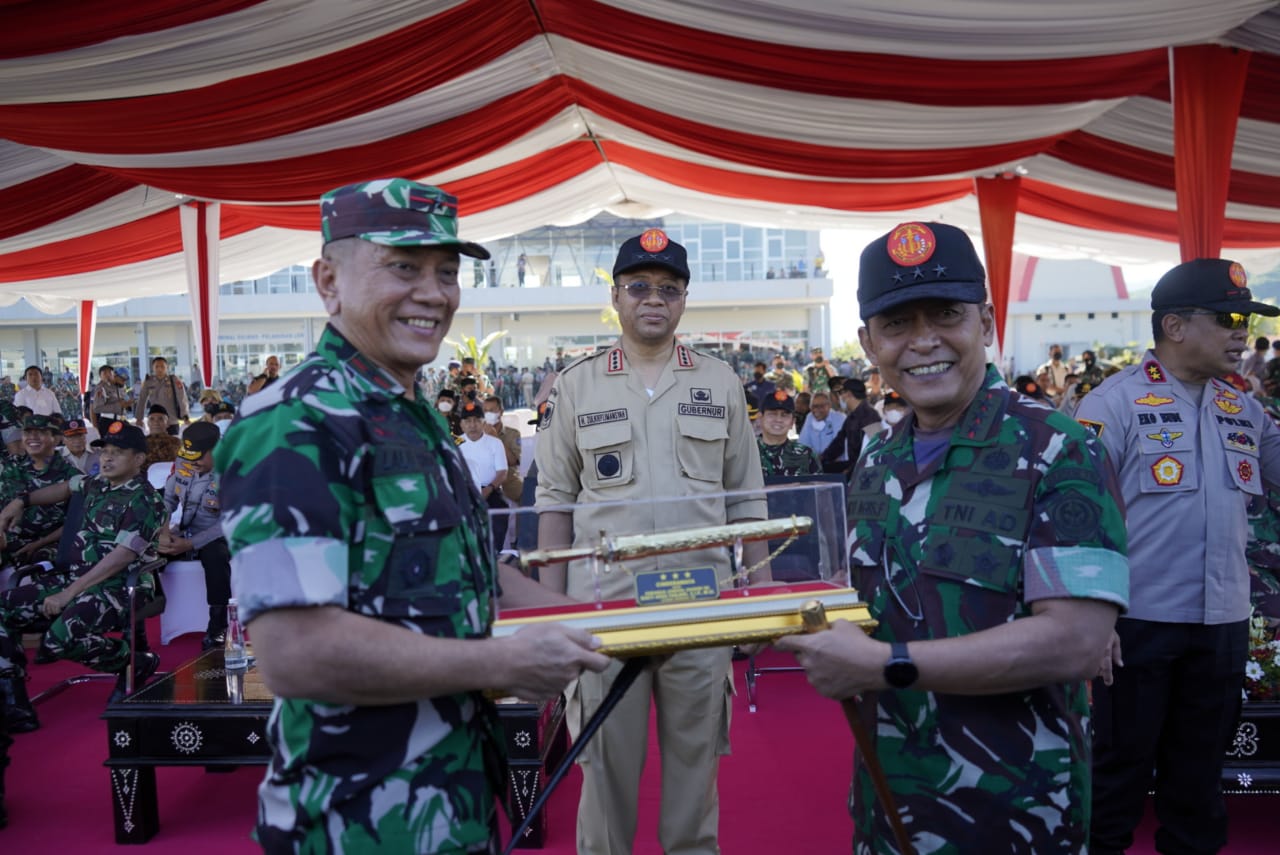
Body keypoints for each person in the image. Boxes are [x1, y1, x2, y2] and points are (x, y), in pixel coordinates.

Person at [214, 178, 607, 854]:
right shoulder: (294, 421)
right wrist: (497, 660)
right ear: (328, 280)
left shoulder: (413, 412)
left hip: (452, 799)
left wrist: (600, 623)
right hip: (357, 821)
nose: (434, 292)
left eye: (447, 272)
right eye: (404, 266)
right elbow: (296, 655)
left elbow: (471, 564)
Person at [777, 221, 1128, 854]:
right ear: (867, 342)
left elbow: (1077, 642)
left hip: (1016, 817)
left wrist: (888, 666)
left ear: (987, 324)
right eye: (896, 324)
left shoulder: (1058, 449)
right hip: (889, 809)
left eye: (945, 314)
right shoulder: (877, 461)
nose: (923, 342)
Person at [535, 227, 767, 855]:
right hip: (606, 612)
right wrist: (553, 612)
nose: (653, 299)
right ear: (616, 296)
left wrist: (757, 598)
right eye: (639, 286)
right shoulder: (576, 385)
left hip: (700, 604)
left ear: (684, 300)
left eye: (668, 288)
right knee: (605, 770)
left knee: (696, 772)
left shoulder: (720, 382)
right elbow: (554, 504)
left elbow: (748, 498)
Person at [1075, 258, 1280, 855]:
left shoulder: (1243, 407)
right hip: (1136, 624)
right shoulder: (1110, 405)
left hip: (1222, 626)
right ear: (1175, 326)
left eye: (1246, 318)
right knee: (1118, 778)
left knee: (1199, 786)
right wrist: (1092, 613)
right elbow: (1073, 516)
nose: (1242, 331)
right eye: (1228, 318)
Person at [0, 420, 165, 730]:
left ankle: (133, 661)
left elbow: (121, 557)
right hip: (76, 578)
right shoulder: (97, 482)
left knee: (61, 638)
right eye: (104, 451)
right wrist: (20, 501)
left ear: (139, 460)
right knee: (3, 607)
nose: (107, 458)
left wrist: (68, 592)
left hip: (119, 584)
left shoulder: (145, 500)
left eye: (118, 452)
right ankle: (13, 701)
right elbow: (65, 487)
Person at [159, 421, 231, 650]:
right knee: (145, 552)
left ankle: (218, 625)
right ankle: (139, 624)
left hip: (221, 536)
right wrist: (162, 532)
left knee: (216, 556)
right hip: (184, 530)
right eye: (188, 456)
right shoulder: (183, 463)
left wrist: (190, 544)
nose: (193, 462)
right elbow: (167, 500)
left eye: (199, 456)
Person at [822, 378, 879, 476]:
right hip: (854, 465)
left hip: (867, 470)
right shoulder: (851, 417)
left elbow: (876, 449)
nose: (840, 398)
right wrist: (822, 459)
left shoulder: (871, 416)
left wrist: (851, 471)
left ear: (848, 394)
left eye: (841, 394)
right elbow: (839, 443)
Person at [756, 389, 819, 477]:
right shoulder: (746, 452)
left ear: (792, 422)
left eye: (784, 415)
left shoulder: (806, 455)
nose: (778, 420)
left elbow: (819, 489)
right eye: (772, 414)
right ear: (760, 418)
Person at [133, 356, 189, 434]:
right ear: (153, 368)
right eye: (157, 367)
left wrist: (185, 416)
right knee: (155, 444)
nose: (159, 369)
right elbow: (142, 400)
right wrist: (139, 418)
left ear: (167, 367)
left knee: (173, 443)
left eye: (162, 366)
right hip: (155, 423)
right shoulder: (148, 382)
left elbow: (182, 398)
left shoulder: (174, 380)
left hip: (171, 421)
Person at [796, 390, 845, 463]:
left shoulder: (839, 418)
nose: (816, 410)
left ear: (829, 406)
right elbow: (803, 443)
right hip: (815, 463)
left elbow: (838, 446)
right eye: (814, 406)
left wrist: (821, 458)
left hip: (836, 463)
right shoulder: (810, 417)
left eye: (821, 406)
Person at [92, 365, 132, 437]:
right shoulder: (101, 388)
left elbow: (125, 401)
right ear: (115, 376)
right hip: (108, 421)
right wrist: (119, 406)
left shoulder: (120, 388)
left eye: (125, 380)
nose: (124, 382)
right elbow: (96, 408)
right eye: (122, 379)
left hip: (121, 421)